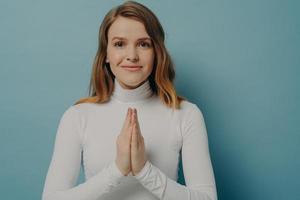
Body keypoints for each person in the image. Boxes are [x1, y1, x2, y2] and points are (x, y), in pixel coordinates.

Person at [42, 1, 217, 200]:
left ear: (157, 52)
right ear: (106, 54)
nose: (132, 56)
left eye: (143, 44)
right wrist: (117, 170)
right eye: (119, 44)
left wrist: (144, 171)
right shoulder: (77, 116)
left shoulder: (186, 114)